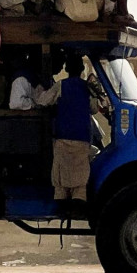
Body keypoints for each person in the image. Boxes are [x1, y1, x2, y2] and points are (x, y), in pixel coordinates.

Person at [36, 52, 96, 215]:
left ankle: (61, 205)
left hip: (63, 136)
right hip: (82, 137)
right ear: (82, 69)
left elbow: (43, 101)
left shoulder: (61, 85)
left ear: (67, 69)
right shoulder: (87, 87)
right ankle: (78, 203)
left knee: (61, 174)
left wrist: (40, 88)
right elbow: (94, 109)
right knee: (80, 174)